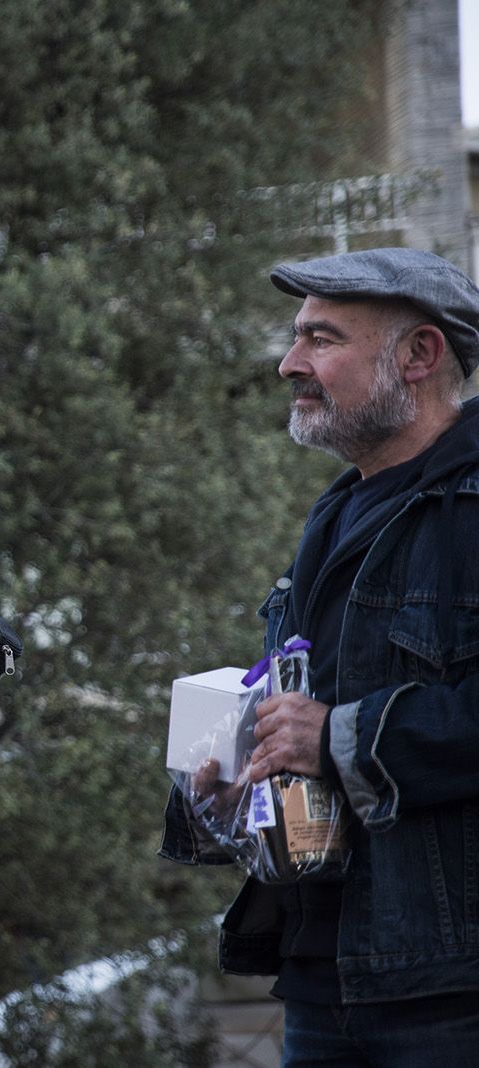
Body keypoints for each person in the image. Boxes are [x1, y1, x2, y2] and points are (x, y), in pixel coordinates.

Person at [161, 247, 479, 1064]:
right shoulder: (335, 512)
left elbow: (341, 726)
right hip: (321, 969)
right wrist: (232, 781)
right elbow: (301, 716)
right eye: (296, 336)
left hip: (447, 986)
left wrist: (337, 734)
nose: (287, 363)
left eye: (321, 338)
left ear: (419, 356)